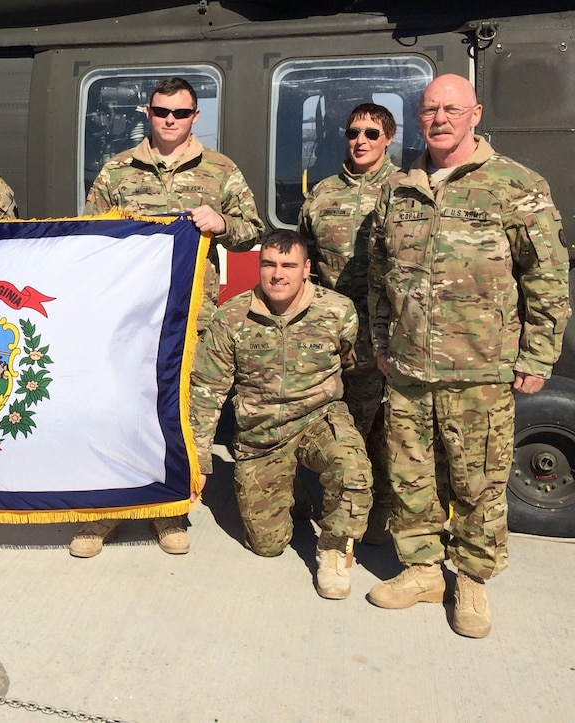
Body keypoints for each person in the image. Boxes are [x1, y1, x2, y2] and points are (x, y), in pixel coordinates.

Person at [367, 74, 570, 637]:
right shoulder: (398, 187)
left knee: (477, 481)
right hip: (407, 367)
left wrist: (537, 356)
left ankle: (473, 581)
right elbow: (381, 277)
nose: (439, 119)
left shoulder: (515, 185)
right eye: (429, 109)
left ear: (474, 114)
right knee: (411, 476)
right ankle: (422, 570)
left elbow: (547, 277)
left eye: (451, 109)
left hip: (481, 368)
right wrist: (382, 344)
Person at [73, 76, 265, 557]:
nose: (170, 121)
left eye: (180, 113)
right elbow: (87, 234)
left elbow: (252, 229)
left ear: (195, 117)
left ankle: (169, 509)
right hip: (129, 318)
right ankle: (105, 512)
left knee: (179, 415)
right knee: (118, 409)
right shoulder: (117, 171)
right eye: (161, 112)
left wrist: (222, 224)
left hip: (192, 315)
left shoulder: (221, 170)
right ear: (148, 113)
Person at [190, 229, 373, 598]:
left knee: (352, 470)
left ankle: (335, 552)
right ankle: (295, 490)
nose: (278, 274)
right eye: (269, 264)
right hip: (262, 435)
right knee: (267, 545)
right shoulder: (231, 318)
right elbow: (207, 389)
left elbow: (362, 374)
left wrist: (359, 438)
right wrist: (198, 460)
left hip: (318, 419)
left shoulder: (337, 311)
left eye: (288, 265)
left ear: (306, 269)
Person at [298, 102, 398, 545]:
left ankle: (381, 513)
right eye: (354, 132)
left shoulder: (405, 189)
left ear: (388, 139)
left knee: (387, 426)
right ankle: (325, 500)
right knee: (331, 418)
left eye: (371, 134)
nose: (361, 141)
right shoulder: (322, 194)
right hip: (331, 330)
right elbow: (303, 260)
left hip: (389, 334)